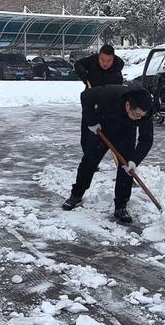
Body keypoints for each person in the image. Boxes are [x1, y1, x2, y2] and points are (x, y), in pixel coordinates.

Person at [62, 85, 154, 223]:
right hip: (103, 128)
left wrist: (134, 161)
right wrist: (92, 121)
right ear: (128, 105)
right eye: (136, 115)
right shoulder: (111, 94)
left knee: (126, 167)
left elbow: (146, 139)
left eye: (142, 116)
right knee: (89, 161)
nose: (139, 119)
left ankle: (121, 206)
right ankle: (76, 194)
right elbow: (85, 96)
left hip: (126, 132)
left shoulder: (146, 114)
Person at [74, 45, 124, 152]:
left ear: (113, 58)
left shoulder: (116, 73)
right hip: (89, 103)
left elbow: (116, 95)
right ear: (99, 56)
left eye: (109, 61)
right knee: (87, 136)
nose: (105, 63)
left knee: (107, 135)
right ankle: (89, 161)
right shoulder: (92, 60)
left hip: (107, 106)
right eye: (102, 60)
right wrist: (83, 73)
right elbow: (78, 64)